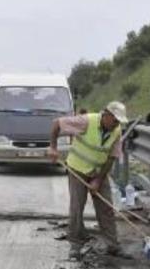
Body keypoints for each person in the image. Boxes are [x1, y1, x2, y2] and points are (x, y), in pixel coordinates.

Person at [47, 101, 128, 255]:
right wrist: (53, 147)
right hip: (77, 169)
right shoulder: (86, 121)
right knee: (77, 207)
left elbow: (111, 157)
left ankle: (112, 245)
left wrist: (98, 180)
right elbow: (57, 123)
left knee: (106, 208)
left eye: (119, 121)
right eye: (115, 119)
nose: (116, 123)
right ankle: (75, 245)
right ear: (106, 115)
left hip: (98, 171)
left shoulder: (117, 131)